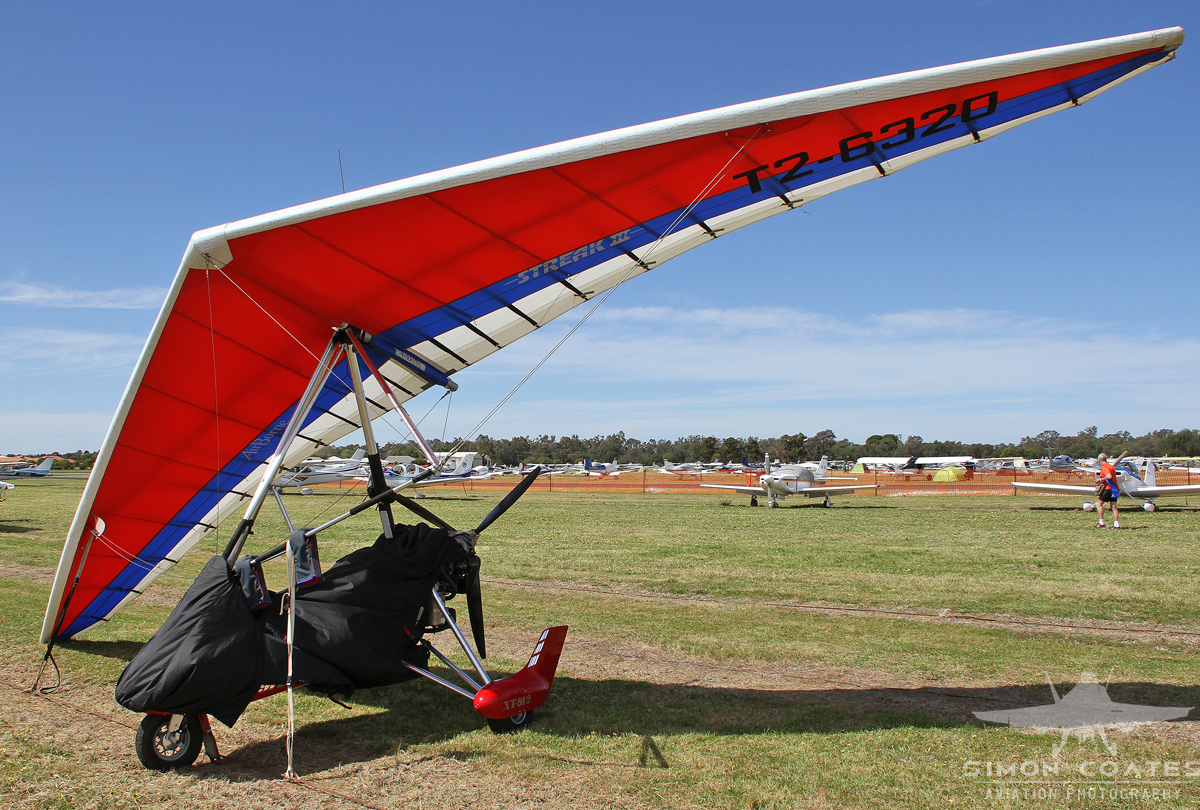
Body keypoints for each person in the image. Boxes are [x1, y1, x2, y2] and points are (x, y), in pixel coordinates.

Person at [1095, 452, 1120, 529]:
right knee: (1114, 506)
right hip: (1114, 488)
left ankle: (1101, 523)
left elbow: (1109, 476)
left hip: (1108, 488)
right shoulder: (1111, 466)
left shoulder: (1105, 467)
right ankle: (1116, 524)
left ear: (1099, 460)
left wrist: (1100, 479)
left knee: (1098, 504)